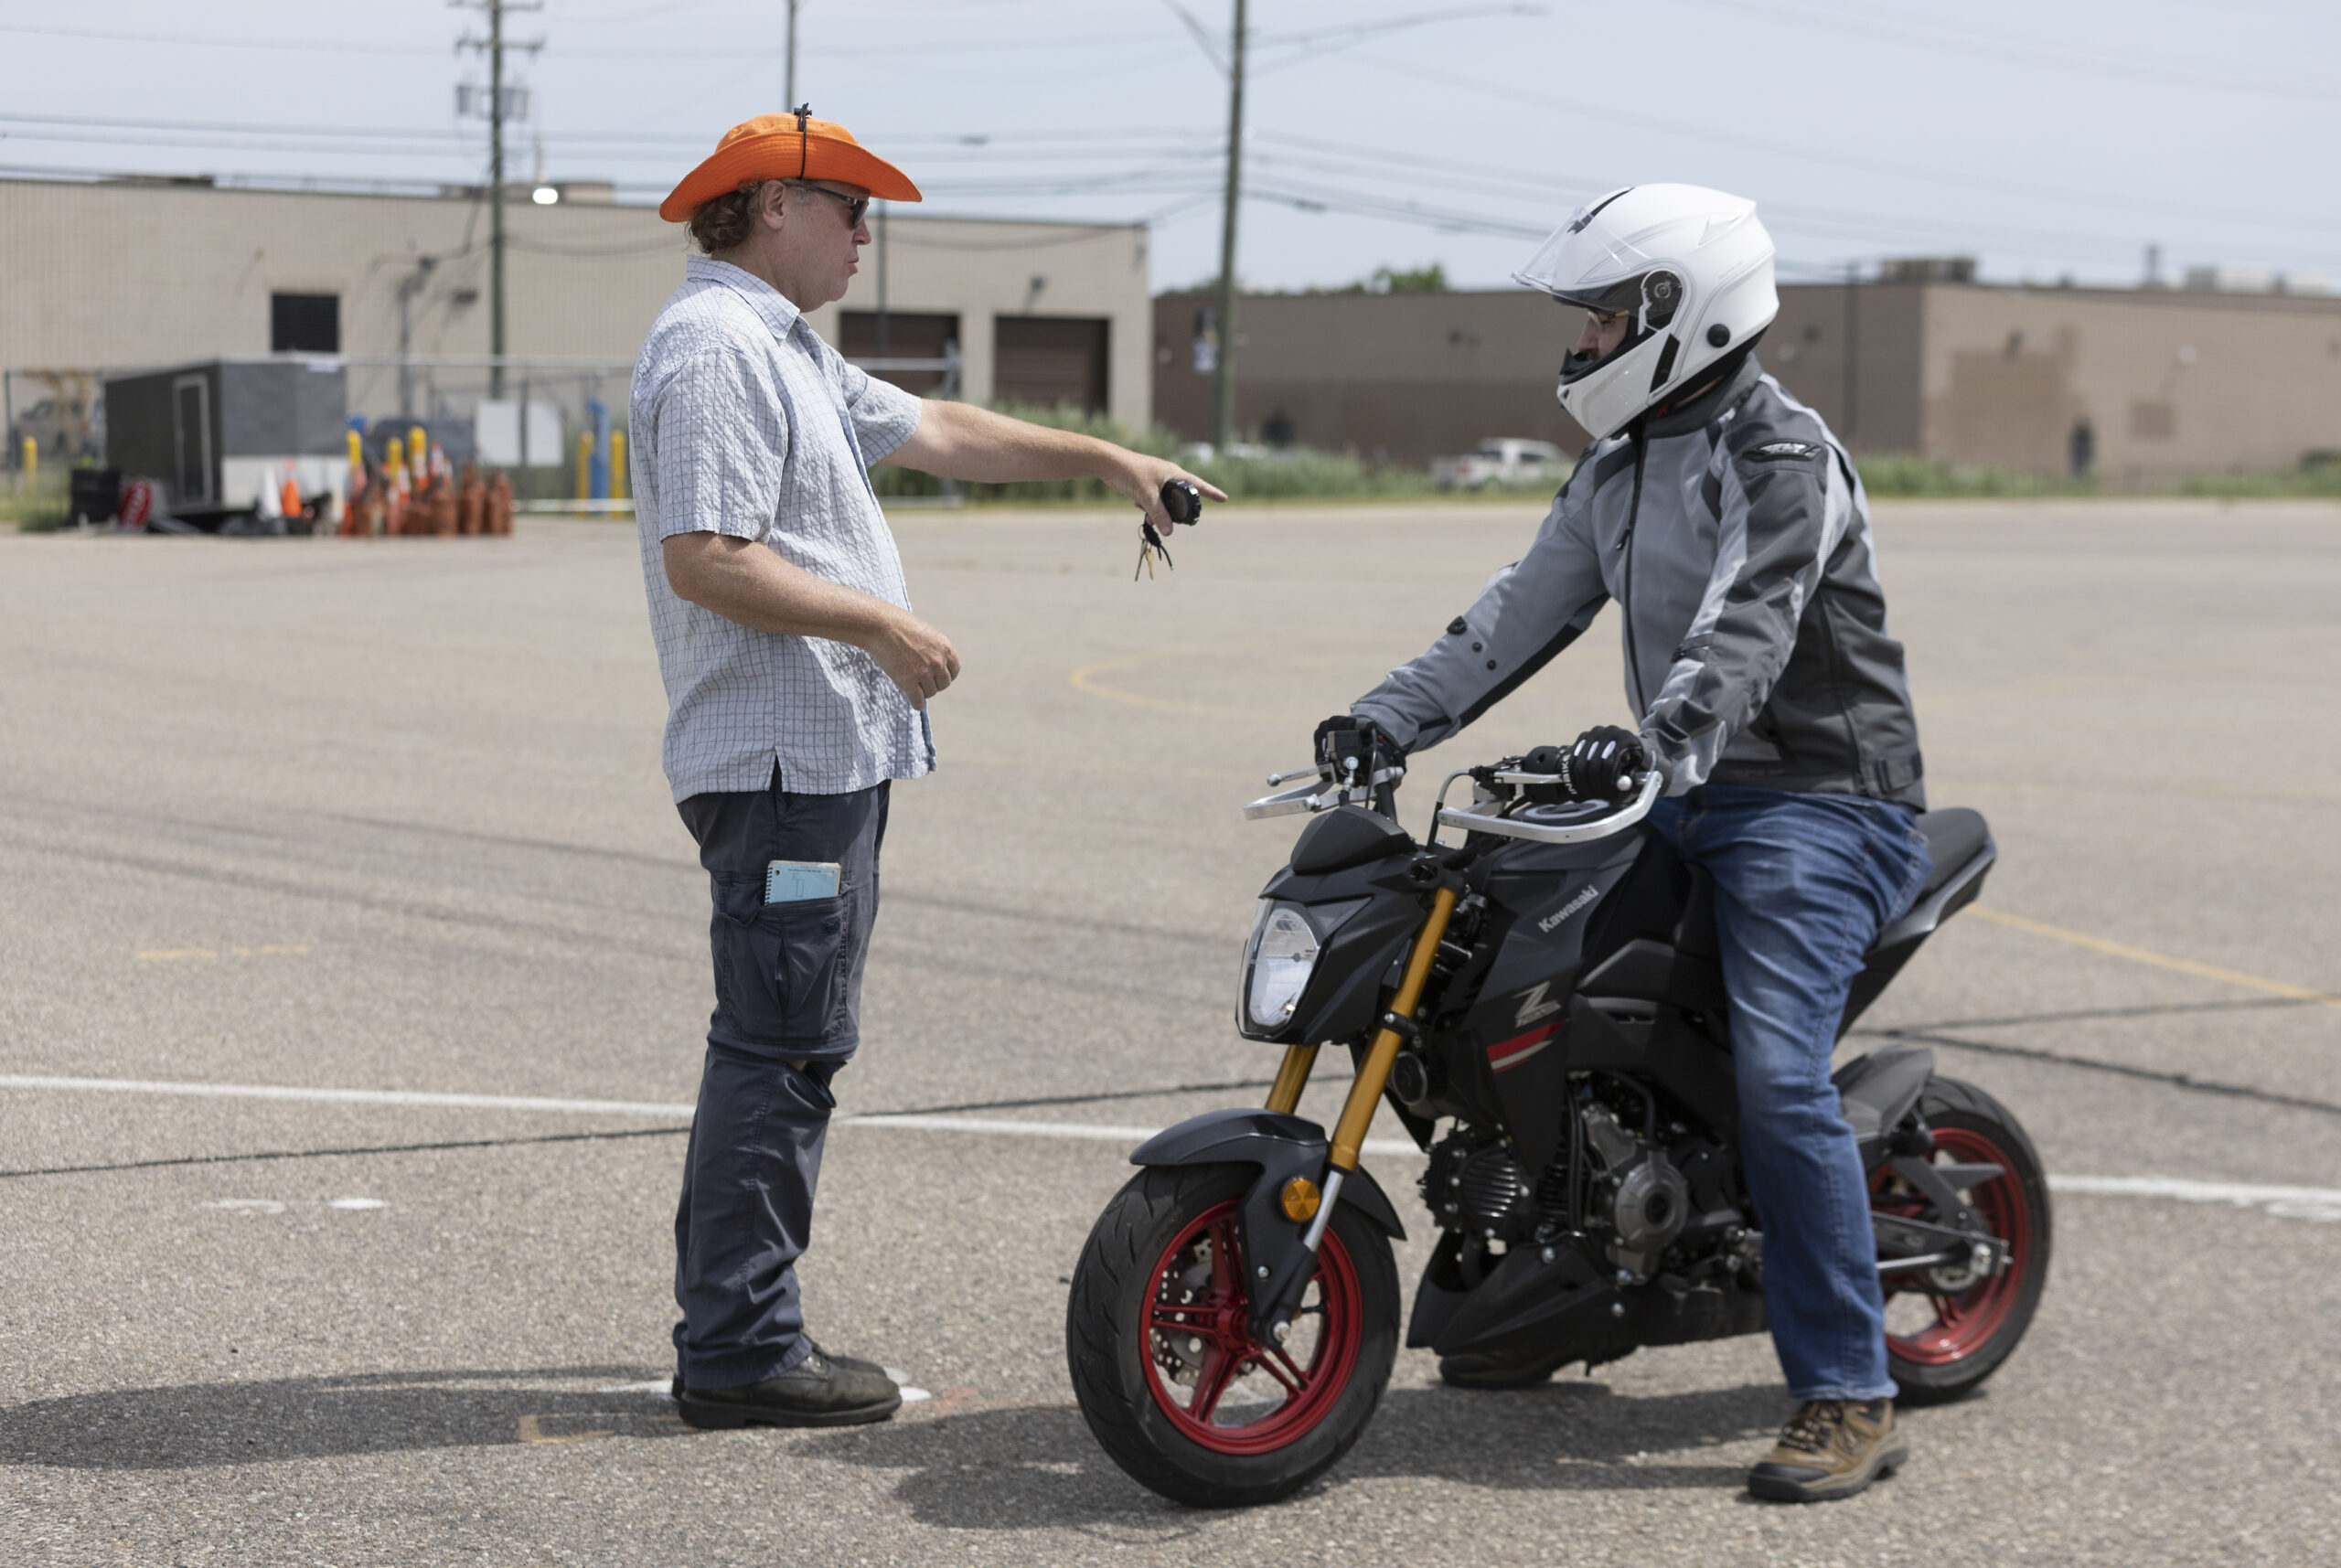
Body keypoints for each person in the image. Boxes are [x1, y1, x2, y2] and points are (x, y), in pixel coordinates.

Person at [1315, 185, 1931, 1503]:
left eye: (1602, 317)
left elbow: (1744, 634)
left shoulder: (1782, 459)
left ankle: (1848, 1389)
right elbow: (1508, 622)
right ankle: (1555, 1278)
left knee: (1777, 1075)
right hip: (1684, 791)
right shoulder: (1620, 463)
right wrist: (1381, 719)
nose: (1582, 341)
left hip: (1823, 803)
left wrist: (1654, 746)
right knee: (1494, 977)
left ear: (1678, 316)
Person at [632, 110, 1222, 1432]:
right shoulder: (718, 349)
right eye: (848, 206)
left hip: (814, 759)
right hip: (783, 764)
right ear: (771, 202)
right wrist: (881, 624)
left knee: (786, 1044)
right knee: (779, 1050)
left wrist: (1108, 460)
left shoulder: (783, 347)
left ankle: (737, 1330)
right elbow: (707, 556)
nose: (864, 233)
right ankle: (738, 1351)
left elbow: (942, 429)